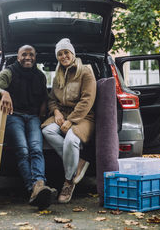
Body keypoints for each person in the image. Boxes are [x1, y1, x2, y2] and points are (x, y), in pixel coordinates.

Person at [0, 45, 56, 210]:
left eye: (31, 54)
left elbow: (44, 96)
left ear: (35, 57)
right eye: (24, 54)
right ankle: (36, 189)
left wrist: (43, 108)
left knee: (36, 149)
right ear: (18, 57)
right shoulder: (9, 72)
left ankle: (38, 185)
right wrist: (4, 93)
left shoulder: (40, 75)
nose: (28, 57)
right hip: (14, 115)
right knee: (23, 150)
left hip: (32, 117)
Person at [41, 38, 96, 204]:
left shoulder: (85, 72)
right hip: (63, 114)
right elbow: (51, 98)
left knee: (71, 139)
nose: (63, 56)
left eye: (66, 52)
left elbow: (87, 99)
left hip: (84, 116)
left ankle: (68, 181)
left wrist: (71, 121)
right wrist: (56, 112)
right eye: (60, 53)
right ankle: (78, 161)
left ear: (72, 53)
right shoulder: (58, 74)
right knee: (47, 130)